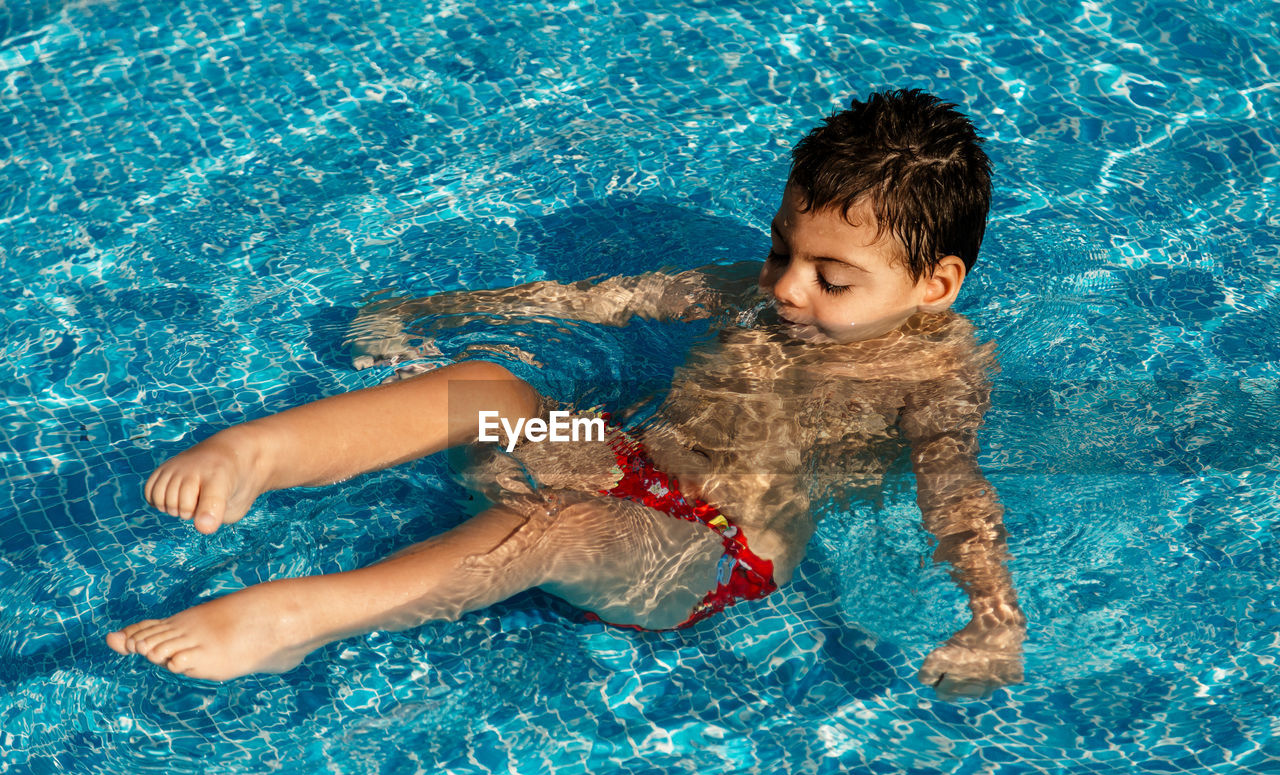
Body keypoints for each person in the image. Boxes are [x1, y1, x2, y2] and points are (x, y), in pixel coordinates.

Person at [106, 89, 1026, 700]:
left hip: (709, 555)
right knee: (489, 386)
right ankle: (256, 453)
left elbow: (957, 495)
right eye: (784, 248)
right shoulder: (753, 291)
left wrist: (992, 618)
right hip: (621, 459)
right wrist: (442, 309)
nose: (787, 286)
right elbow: (605, 300)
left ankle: (300, 618)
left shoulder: (933, 376)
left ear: (935, 284)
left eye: (832, 277)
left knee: (560, 527)